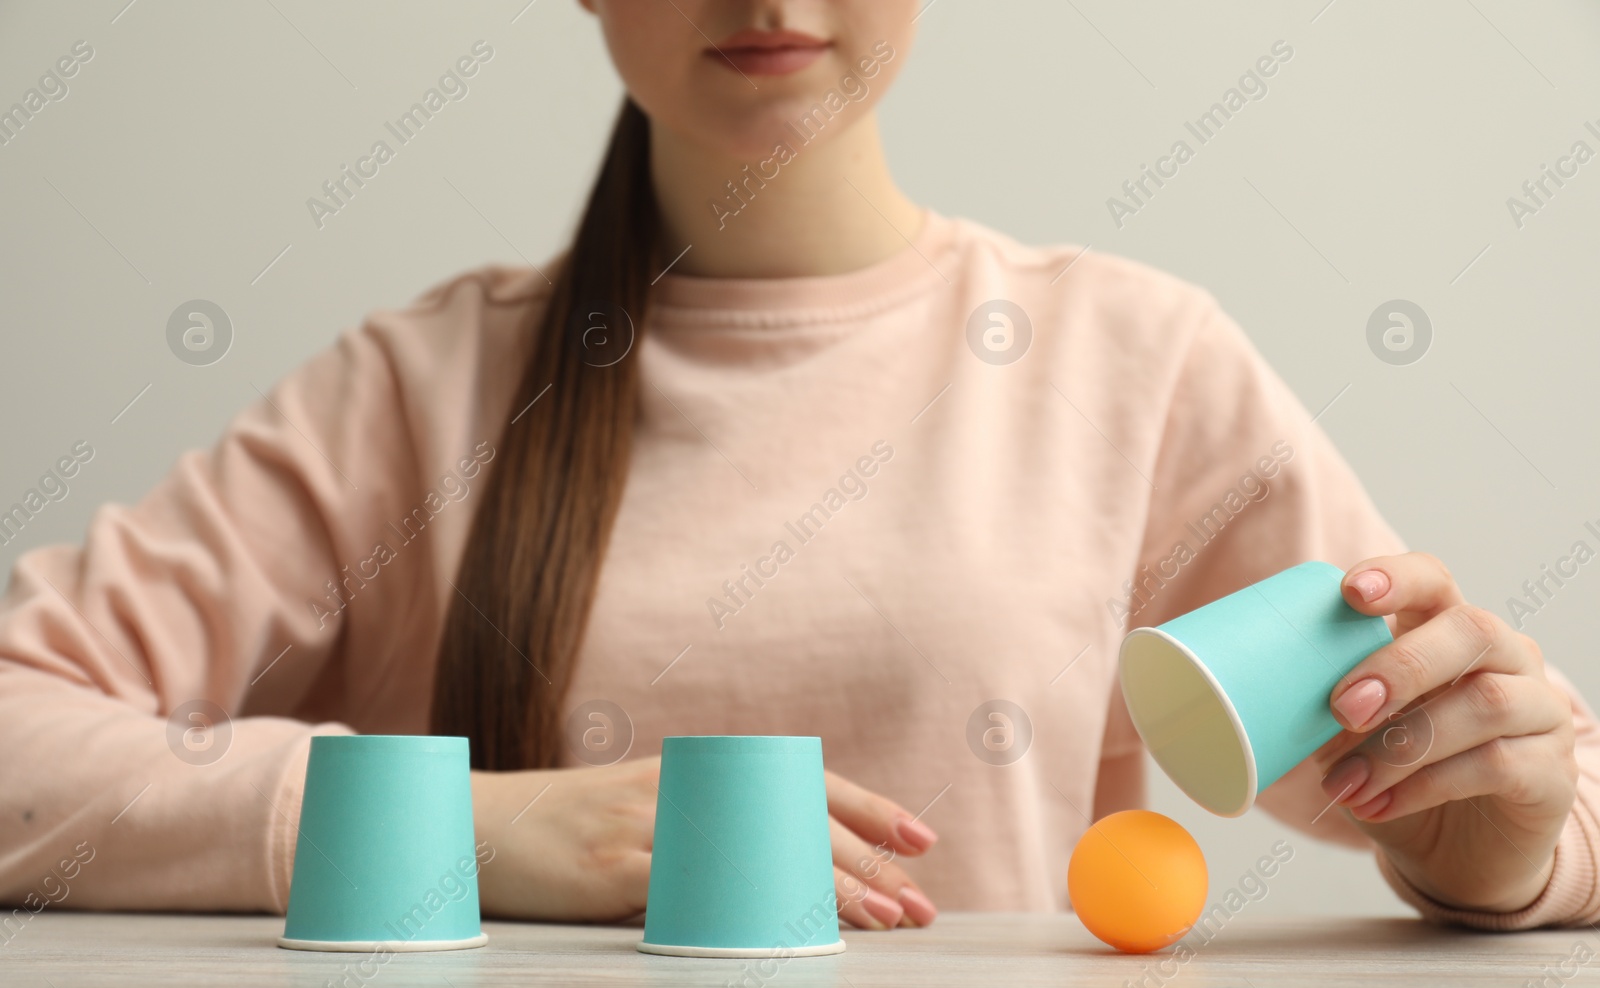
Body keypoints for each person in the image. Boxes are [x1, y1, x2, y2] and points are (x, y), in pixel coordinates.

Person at [1, 0, 1595, 935]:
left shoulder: (1139, 360)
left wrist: (1496, 853)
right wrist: (477, 835)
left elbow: (1551, 807)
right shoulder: (422, 391)